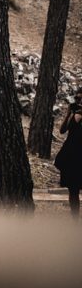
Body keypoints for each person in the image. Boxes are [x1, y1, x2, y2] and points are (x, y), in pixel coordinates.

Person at [55, 88, 82, 217]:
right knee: (73, 189)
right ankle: (75, 218)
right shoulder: (74, 113)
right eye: (77, 99)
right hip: (72, 155)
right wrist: (68, 114)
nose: (79, 101)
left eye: (81, 99)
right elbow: (62, 131)